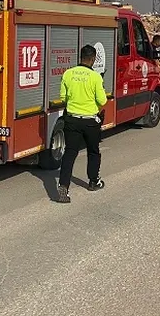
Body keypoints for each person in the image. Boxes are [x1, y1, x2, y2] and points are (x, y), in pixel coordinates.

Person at [57, 44, 108, 203]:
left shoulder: (68, 74)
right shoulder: (95, 77)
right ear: (93, 59)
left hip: (72, 120)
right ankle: (94, 181)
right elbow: (102, 100)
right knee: (93, 151)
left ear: (80, 57)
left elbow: (63, 98)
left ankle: (63, 186)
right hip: (90, 122)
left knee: (70, 153)